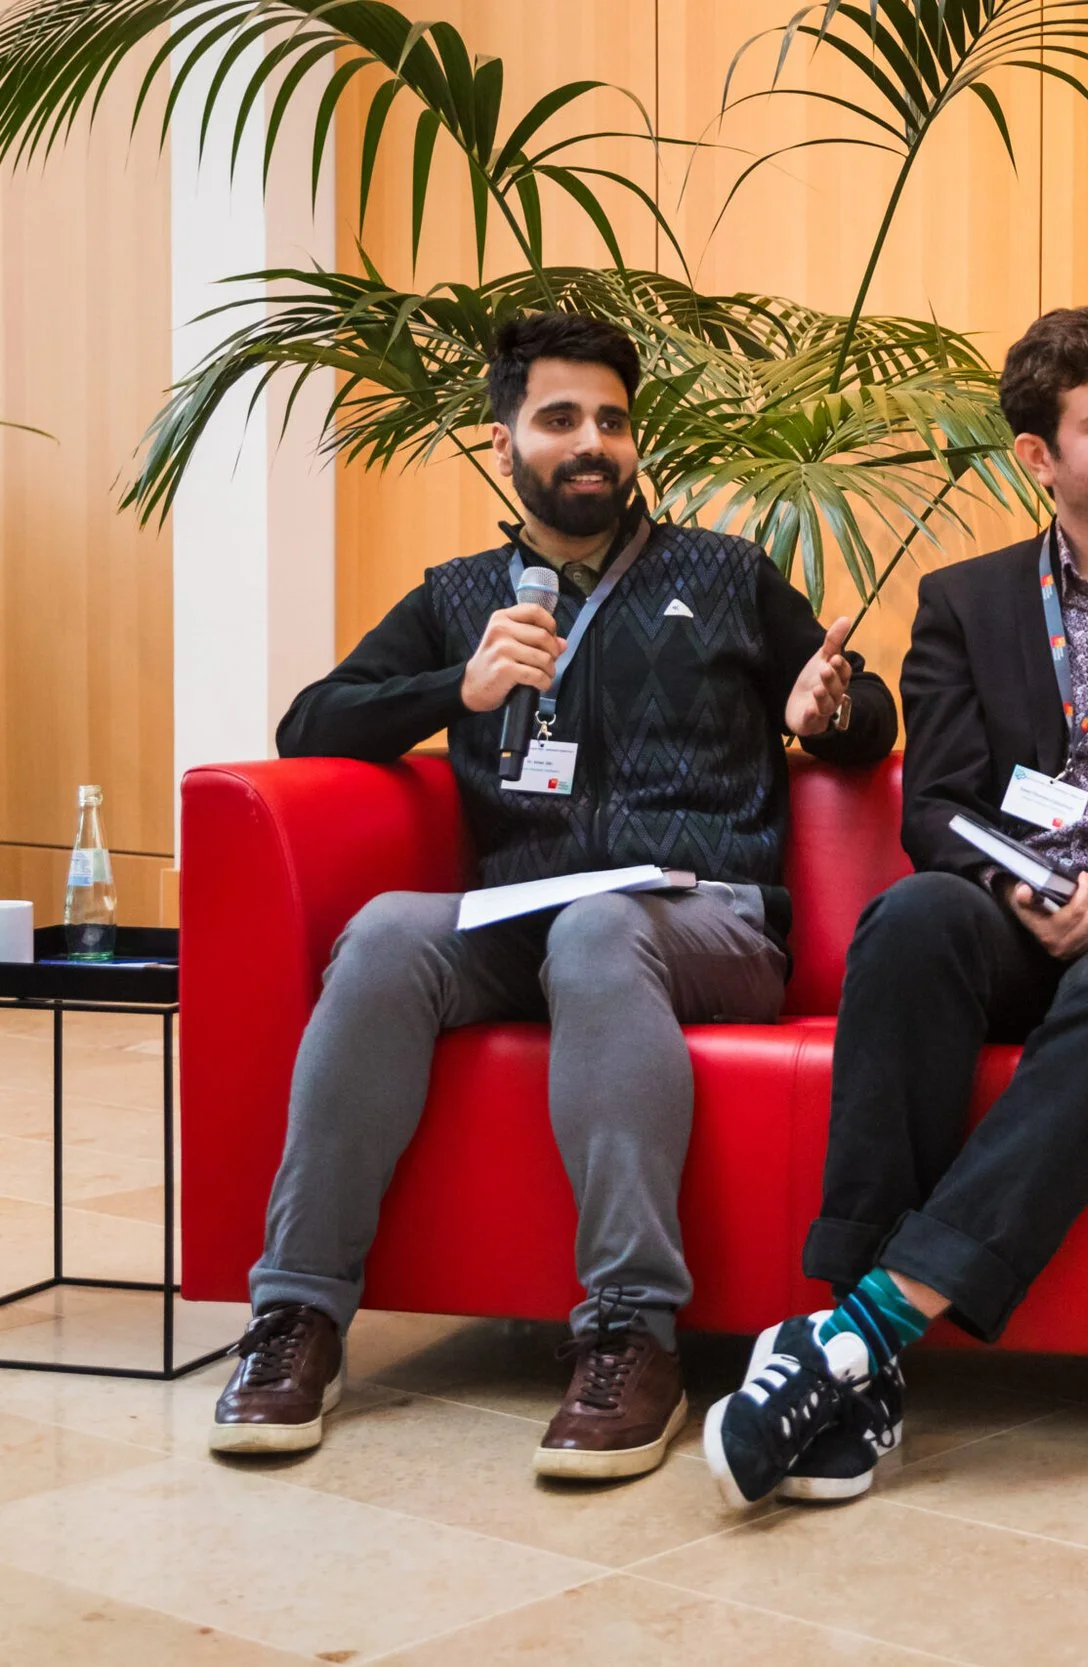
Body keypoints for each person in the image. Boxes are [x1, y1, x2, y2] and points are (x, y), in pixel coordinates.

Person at [208, 311, 897, 1479]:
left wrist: (828, 711)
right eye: (561, 418)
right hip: (516, 922)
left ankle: (632, 1330)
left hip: (707, 915)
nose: (593, 443)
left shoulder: (722, 574)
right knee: (384, 930)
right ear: (504, 440)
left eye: (613, 421)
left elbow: (862, 713)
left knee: (598, 926)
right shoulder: (461, 592)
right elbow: (309, 723)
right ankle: (300, 1314)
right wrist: (454, 686)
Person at [703, 302, 1088, 1507]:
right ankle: (857, 1338)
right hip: (1024, 912)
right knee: (910, 921)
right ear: (1040, 457)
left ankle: (858, 1332)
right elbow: (935, 804)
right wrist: (1013, 882)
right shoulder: (967, 602)